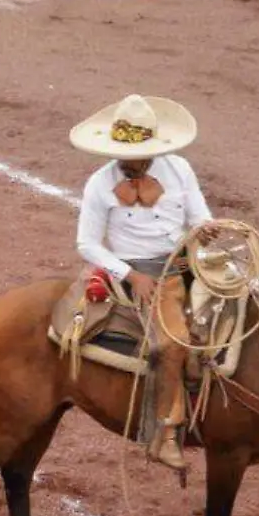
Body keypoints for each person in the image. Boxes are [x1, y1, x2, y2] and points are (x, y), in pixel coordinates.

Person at [72, 94, 221, 470]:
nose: (131, 160)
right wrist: (130, 275)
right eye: (125, 152)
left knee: (240, 303)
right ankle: (165, 433)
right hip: (139, 271)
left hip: (185, 260)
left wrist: (206, 229)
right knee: (170, 342)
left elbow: (198, 215)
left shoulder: (180, 169)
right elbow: (87, 244)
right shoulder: (99, 184)